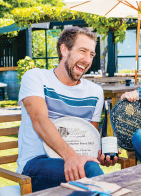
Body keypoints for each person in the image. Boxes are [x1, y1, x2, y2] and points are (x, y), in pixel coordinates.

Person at [16, 26, 119, 192]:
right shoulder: (36, 77)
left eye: (91, 54)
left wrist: (99, 155)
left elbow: (88, 138)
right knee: (90, 171)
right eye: (83, 51)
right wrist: (71, 157)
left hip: (76, 166)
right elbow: (39, 120)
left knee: (90, 169)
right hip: (36, 165)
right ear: (64, 49)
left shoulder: (95, 92)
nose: (87, 59)